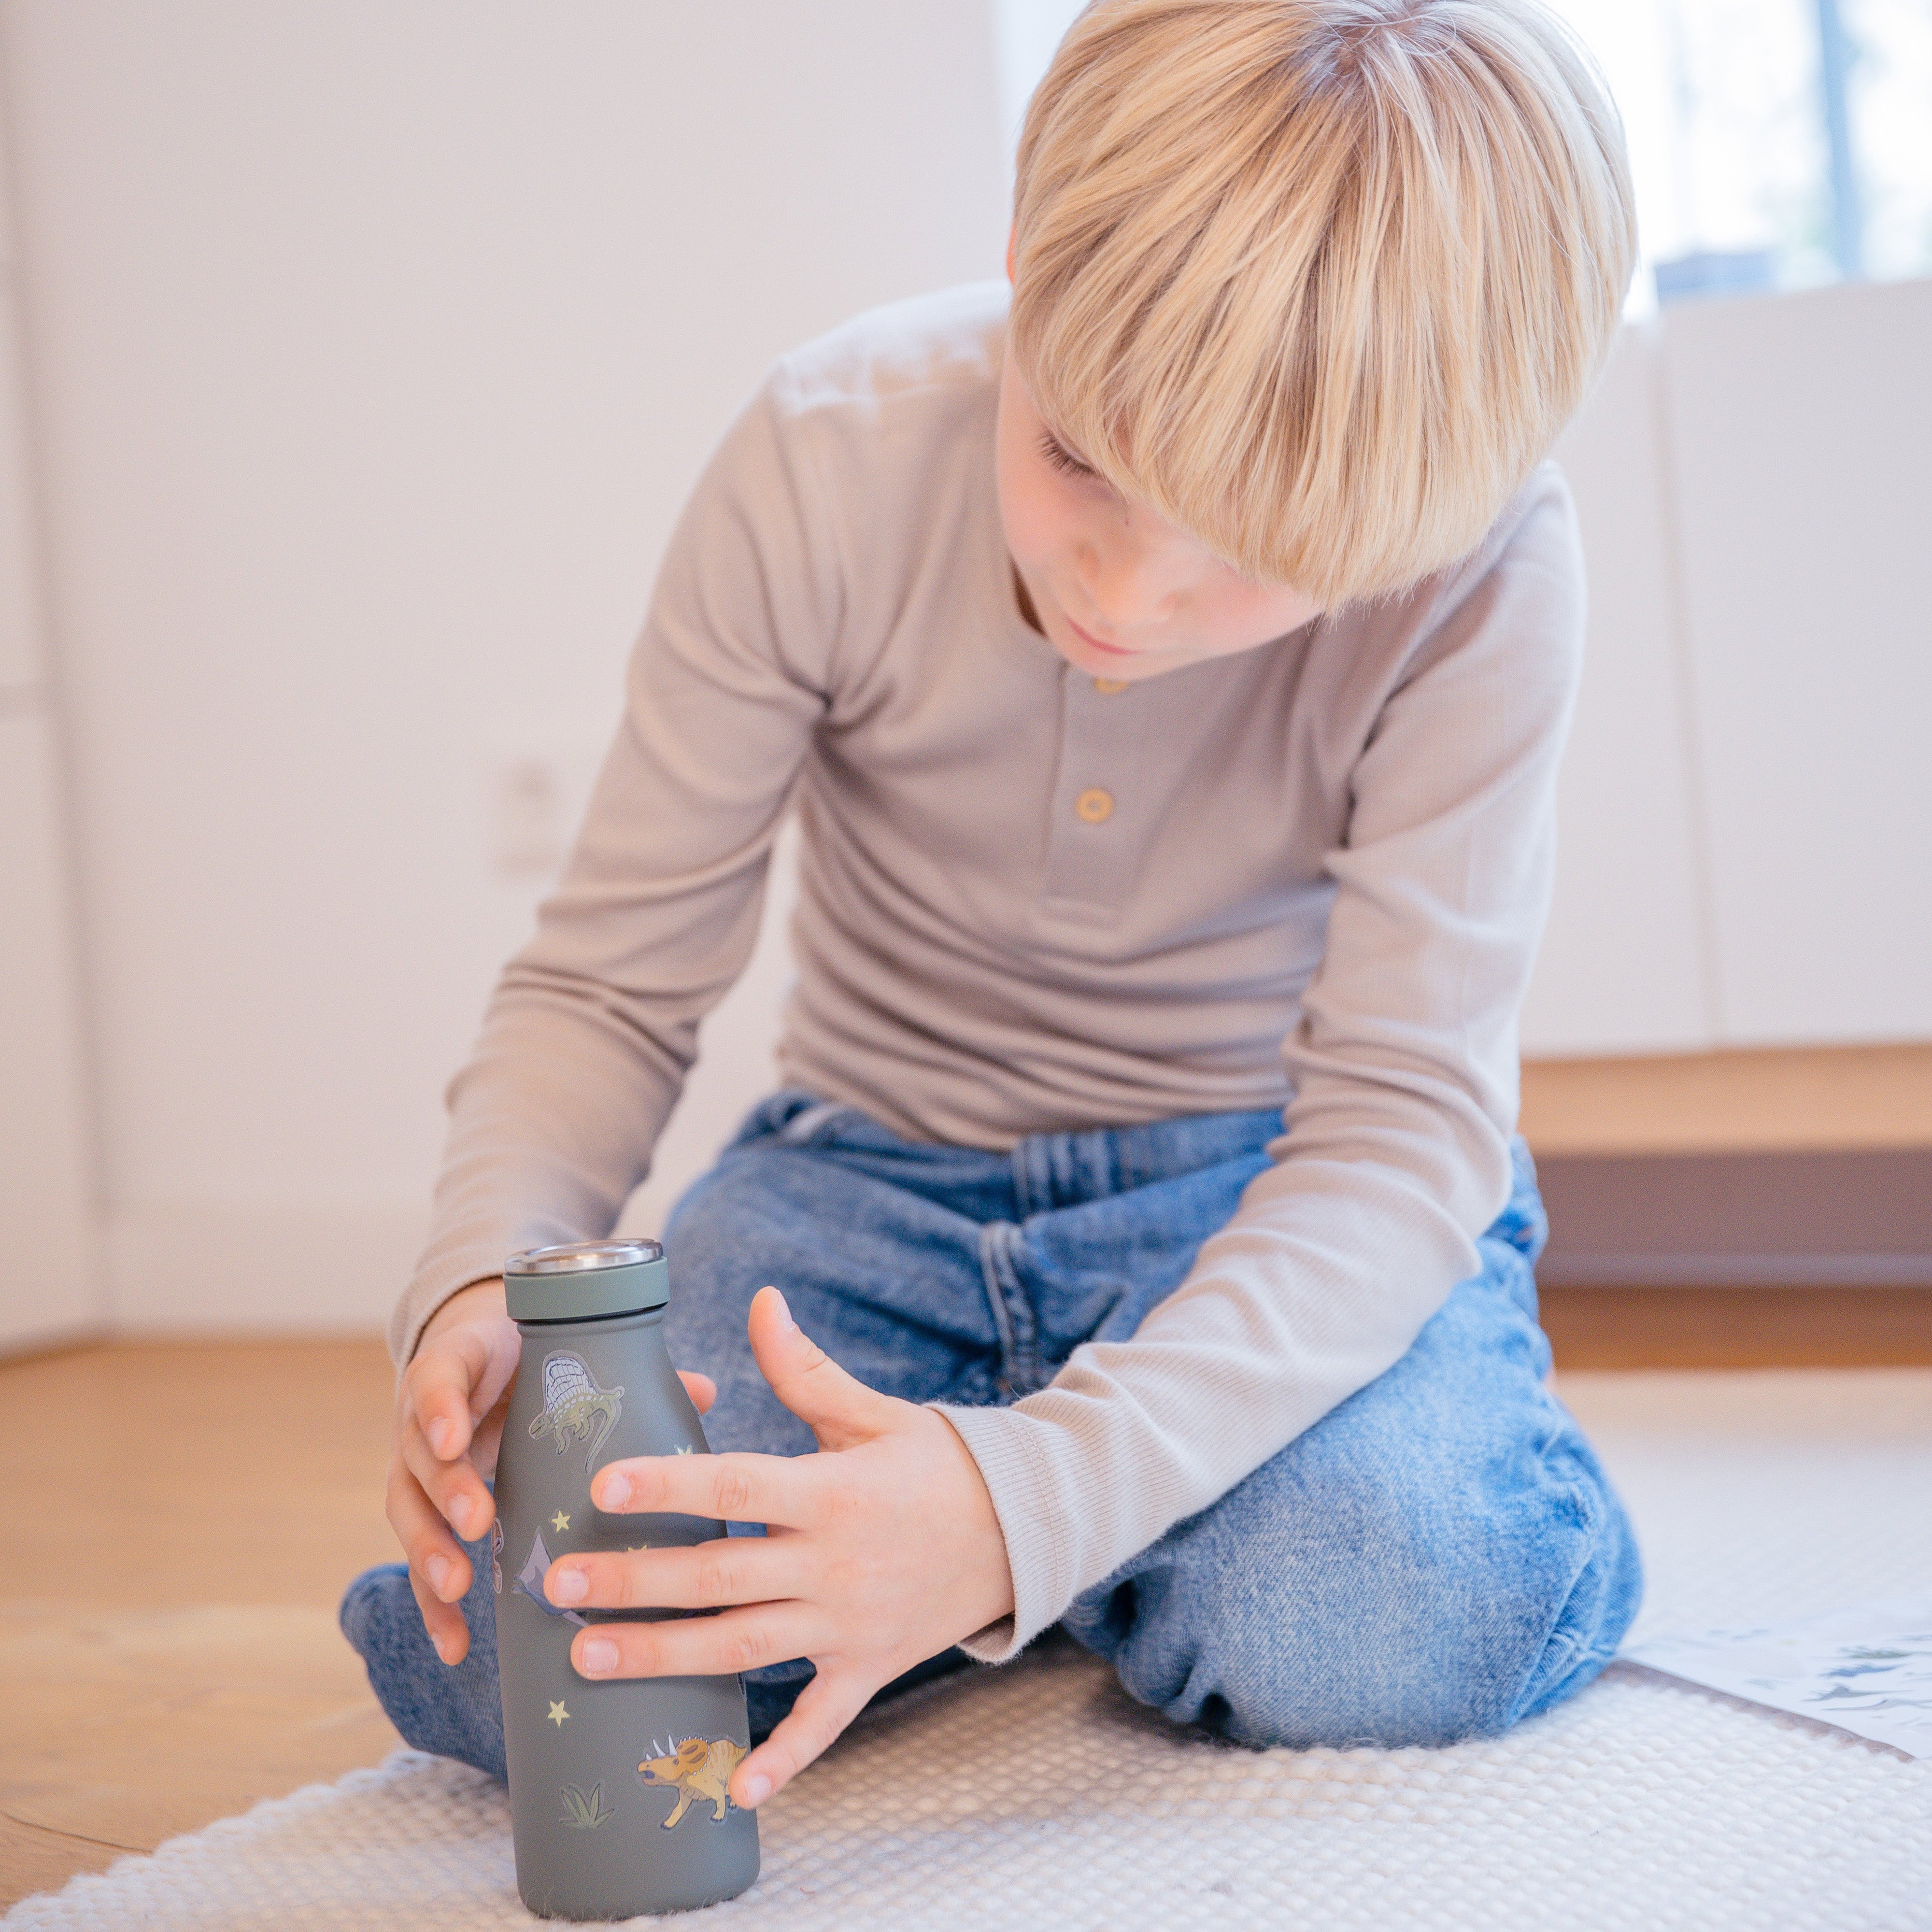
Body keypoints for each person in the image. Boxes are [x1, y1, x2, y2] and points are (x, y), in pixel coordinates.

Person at [342, 0, 1644, 1815]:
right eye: (1083, 457)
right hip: (862, 1193)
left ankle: (1013, 1541)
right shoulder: (828, 453)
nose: (1127, 588)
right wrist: (489, 1275)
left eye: (1255, 553)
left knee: (1385, 1608)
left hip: (1261, 1196)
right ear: (1024, 245)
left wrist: (1017, 1506)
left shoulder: (1489, 568)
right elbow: (611, 987)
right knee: (513, 1652)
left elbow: (1400, 1127)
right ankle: (1045, 1545)